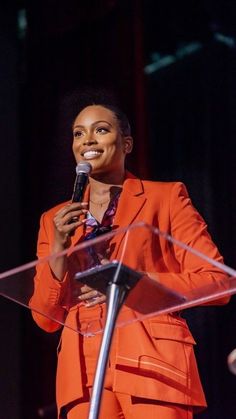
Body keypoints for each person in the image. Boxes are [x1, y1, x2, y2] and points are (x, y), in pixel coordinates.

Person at [30, 89, 229, 419]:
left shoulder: (164, 198)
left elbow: (218, 282)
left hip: (150, 356)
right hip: (82, 370)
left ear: (127, 144)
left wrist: (134, 284)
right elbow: (44, 317)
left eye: (101, 129)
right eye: (78, 133)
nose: (87, 140)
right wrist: (58, 249)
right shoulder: (54, 220)